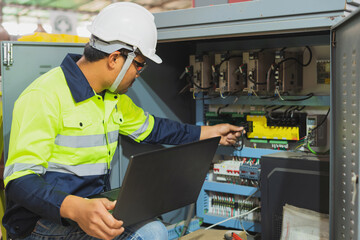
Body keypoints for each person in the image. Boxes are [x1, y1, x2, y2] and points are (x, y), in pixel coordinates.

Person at [3, 2, 244, 240]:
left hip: (94, 209)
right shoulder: (44, 96)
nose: (139, 74)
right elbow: (19, 181)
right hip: (45, 221)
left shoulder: (112, 98)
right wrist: (76, 208)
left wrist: (212, 133)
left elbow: (154, 128)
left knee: (154, 230)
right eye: (139, 65)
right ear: (115, 59)